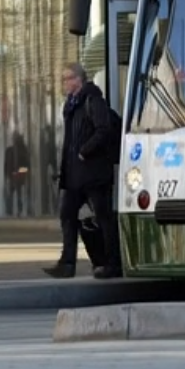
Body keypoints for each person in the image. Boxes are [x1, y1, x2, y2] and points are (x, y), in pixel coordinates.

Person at [43, 63, 122, 280]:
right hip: (75, 175)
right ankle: (67, 263)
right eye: (63, 79)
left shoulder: (93, 100)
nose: (64, 83)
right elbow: (70, 141)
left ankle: (112, 262)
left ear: (79, 80)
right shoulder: (70, 105)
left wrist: (84, 151)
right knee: (67, 214)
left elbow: (103, 130)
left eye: (68, 78)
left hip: (94, 174)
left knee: (103, 217)